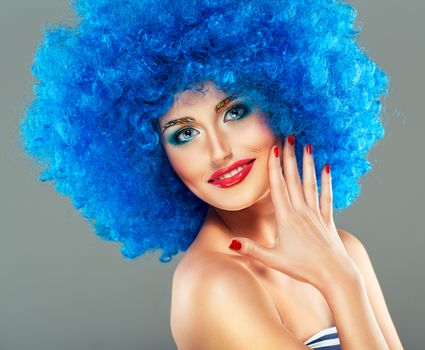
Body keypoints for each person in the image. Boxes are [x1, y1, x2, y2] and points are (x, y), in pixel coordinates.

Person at [19, 0, 404, 348]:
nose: (219, 151)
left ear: (286, 104)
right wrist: (340, 282)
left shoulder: (342, 250)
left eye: (235, 112)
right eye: (184, 134)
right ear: (155, 156)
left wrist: (340, 275)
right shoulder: (211, 284)